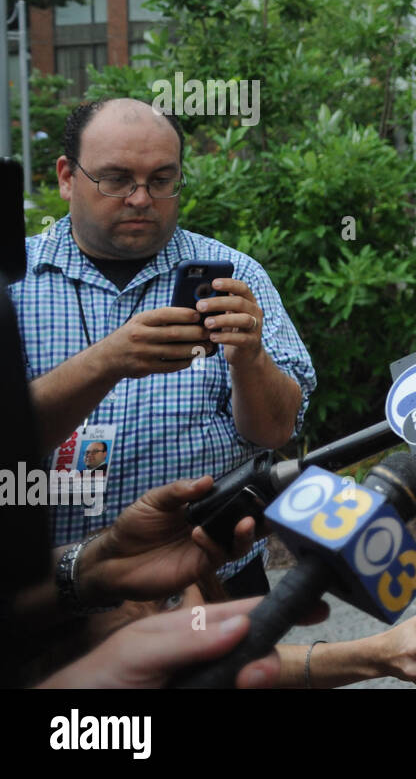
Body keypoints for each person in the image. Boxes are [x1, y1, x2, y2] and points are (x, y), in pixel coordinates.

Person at [8, 98, 317, 597]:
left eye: (161, 180)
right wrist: (106, 362)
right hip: (53, 600)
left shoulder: (236, 274)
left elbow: (275, 430)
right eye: (115, 179)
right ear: (67, 177)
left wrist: (250, 359)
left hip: (215, 586)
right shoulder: (13, 284)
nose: (140, 198)